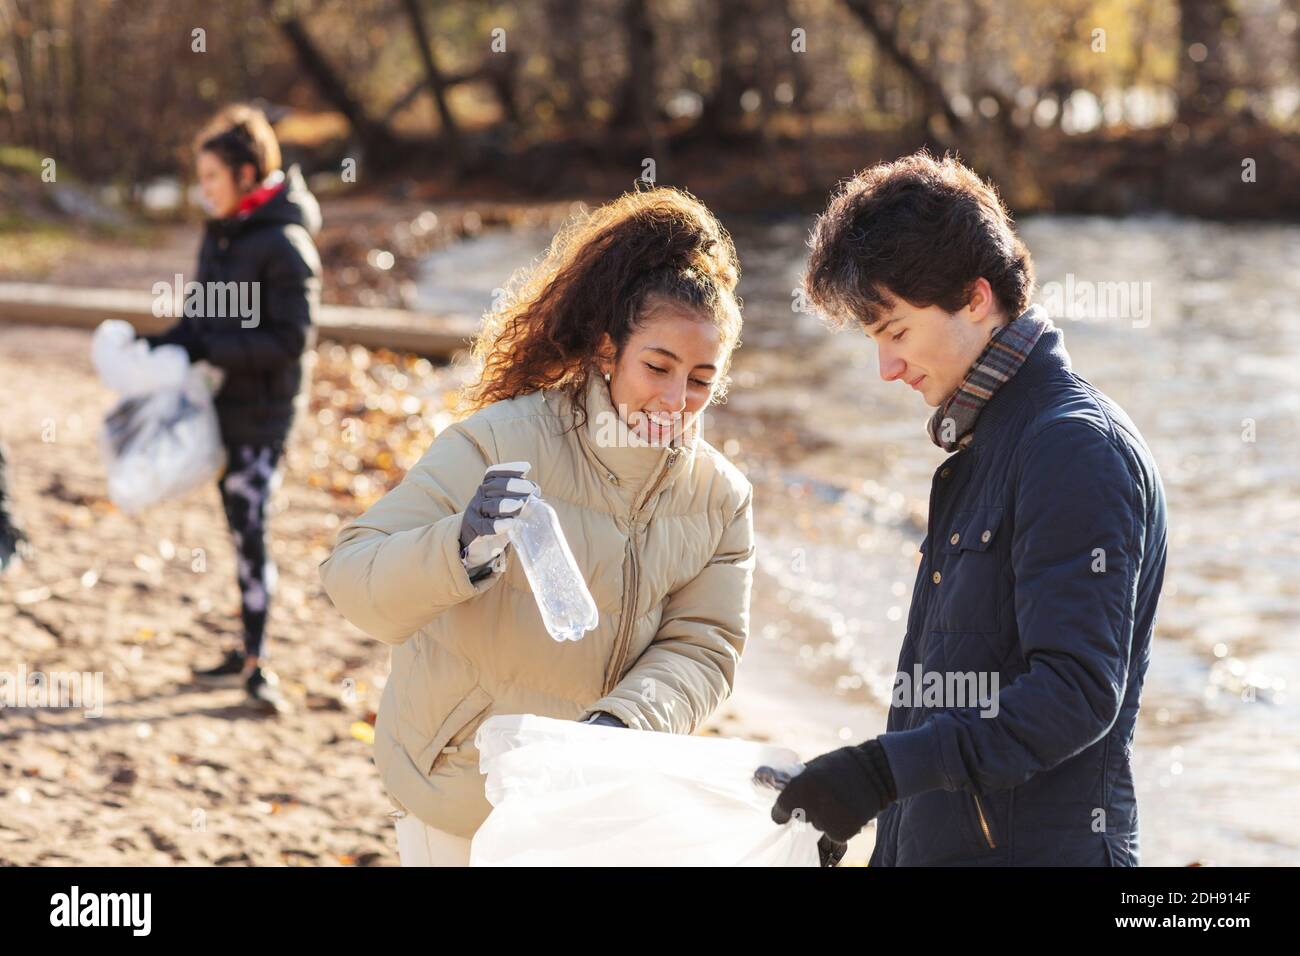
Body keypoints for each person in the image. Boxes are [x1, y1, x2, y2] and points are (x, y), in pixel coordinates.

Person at [319, 188, 755, 866]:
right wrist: (458, 550)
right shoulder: (500, 442)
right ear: (609, 350)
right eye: (658, 367)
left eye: (701, 379)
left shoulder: (721, 498)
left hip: (593, 801)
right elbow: (351, 578)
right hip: (461, 791)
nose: (676, 400)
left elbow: (704, 647)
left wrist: (620, 725)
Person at [767, 151, 1168, 866]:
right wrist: (874, 816)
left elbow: (1074, 695)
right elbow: (949, 695)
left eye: (894, 332)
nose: (887, 368)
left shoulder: (1072, 447)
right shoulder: (991, 444)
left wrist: (877, 772)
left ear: (976, 298)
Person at [146, 104, 321, 713]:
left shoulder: (286, 242)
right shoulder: (219, 232)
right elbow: (201, 317)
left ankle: (257, 664)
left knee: (251, 528)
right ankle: (246, 647)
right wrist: (156, 345)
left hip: (264, 416)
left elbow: (292, 340)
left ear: (247, 175)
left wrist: (213, 350)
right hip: (219, 405)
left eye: (213, 178)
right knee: (234, 525)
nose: (204, 190)